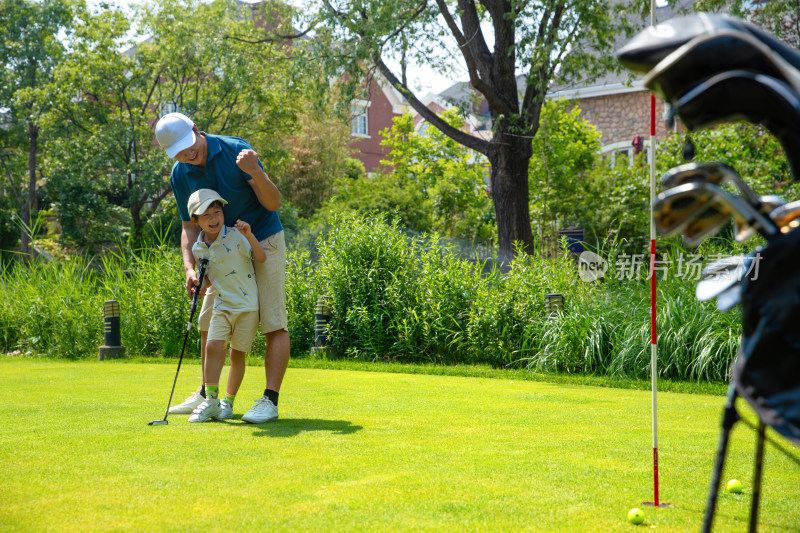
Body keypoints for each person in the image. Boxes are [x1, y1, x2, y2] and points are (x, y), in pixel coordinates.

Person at [155, 112, 289, 423]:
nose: (188, 154)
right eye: (178, 152)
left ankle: (270, 400)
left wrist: (255, 171)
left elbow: (273, 203)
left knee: (273, 320)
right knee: (208, 320)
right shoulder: (180, 174)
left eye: (189, 146)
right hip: (219, 250)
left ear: (197, 130)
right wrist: (190, 268)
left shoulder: (233, 151)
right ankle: (207, 394)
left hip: (262, 238)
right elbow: (189, 227)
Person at [185, 189, 266, 422]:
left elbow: (260, 258)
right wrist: (202, 285)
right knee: (212, 346)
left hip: (247, 306)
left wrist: (249, 235)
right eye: (206, 215)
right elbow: (210, 275)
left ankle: (227, 403)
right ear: (196, 220)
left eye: (217, 212)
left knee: (237, 354)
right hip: (221, 304)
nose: (213, 219)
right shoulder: (199, 247)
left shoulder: (236, 235)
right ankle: (210, 401)